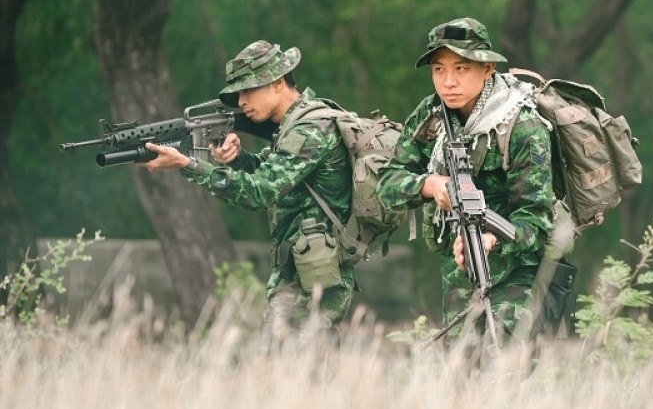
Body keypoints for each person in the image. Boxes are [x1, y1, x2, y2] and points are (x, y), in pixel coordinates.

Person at [139, 40, 355, 351]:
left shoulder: (309, 128)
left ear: (278, 83)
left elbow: (260, 192)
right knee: (285, 372)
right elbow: (275, 172)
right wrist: (237, 159)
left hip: (317, 275)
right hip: (301, 271)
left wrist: (187, 164)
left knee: (291, 371)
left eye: (248, 90)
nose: (241, 101)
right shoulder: (292, 126)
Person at [377, 18, 557, 352]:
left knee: (508, 374)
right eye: (439, 70)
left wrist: (492, 237)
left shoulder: (522, 126)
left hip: (517, 273)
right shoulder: (431, 115)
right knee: (460, 375)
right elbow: (388, 184)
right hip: (458, 270)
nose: (448, 82)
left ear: (487, 68)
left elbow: (537, 223)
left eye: (461, 68)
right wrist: (430, 185)